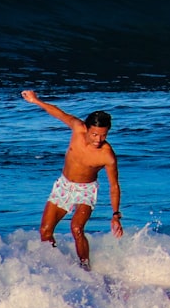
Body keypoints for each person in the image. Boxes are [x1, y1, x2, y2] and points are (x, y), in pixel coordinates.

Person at [23, 89, 123, 270]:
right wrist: (36, 101)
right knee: (45, 232)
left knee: (76, 229)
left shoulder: (107, 156)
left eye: (103, 135)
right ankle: (57, 267)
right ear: (87, 128)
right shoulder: (77, 128)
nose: (98, 139)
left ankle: (86, 269)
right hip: (63, 186)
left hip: (86, 190)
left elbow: (114, 186)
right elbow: (59, 113)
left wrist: (115, 215)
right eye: (94, 134)